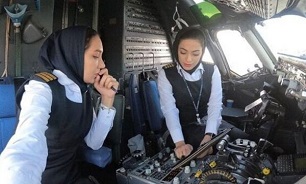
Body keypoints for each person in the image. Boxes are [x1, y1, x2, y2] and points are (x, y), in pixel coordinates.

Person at [0, 26, 119, 184]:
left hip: (72, 176)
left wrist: (107, 98)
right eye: (96, 56)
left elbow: (94, 142)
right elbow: (27, 144)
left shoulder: (82, 91)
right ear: (74, 54)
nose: (103, 65)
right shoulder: (41, 88)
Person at [158, 26, 236, 159]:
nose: (188, 59)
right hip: (181, 127)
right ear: (176, 49)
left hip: (206, 123)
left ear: (202, 52)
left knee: (238, 139)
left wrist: (209, 135)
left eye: (195, 54)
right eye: (183, 52)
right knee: (218, 148)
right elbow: (170, 110)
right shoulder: (166, 73)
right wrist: (180, 143)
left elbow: (215, 105)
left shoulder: (212, 70)